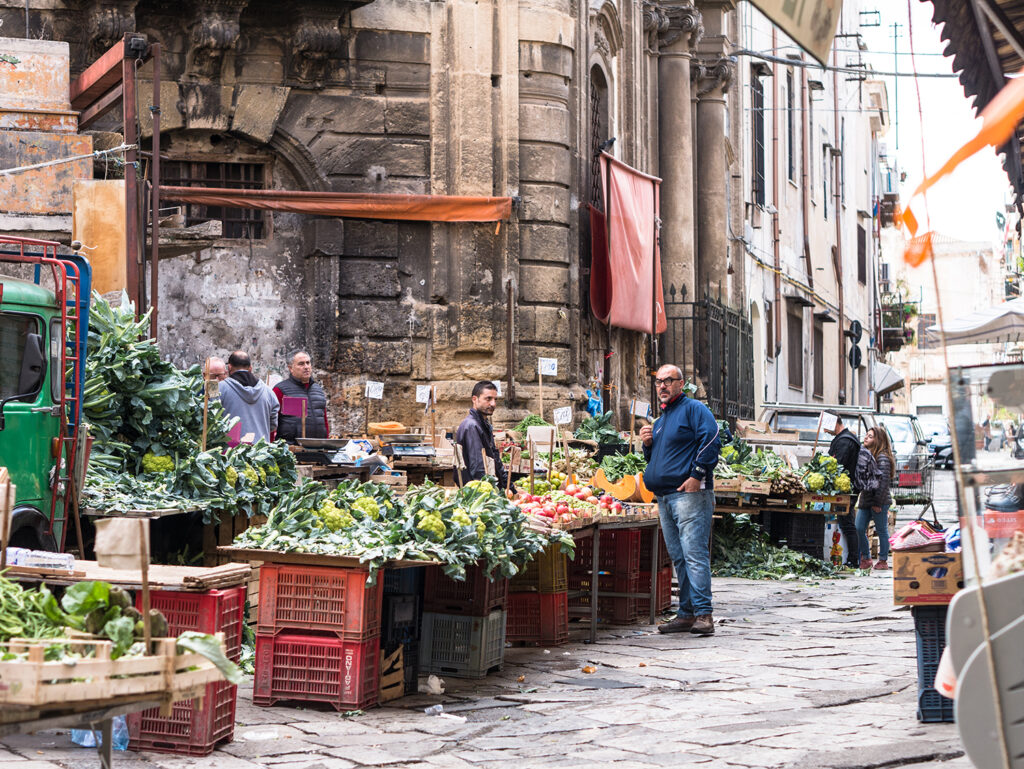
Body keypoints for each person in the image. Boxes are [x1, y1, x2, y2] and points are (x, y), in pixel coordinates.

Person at [641, 364, 721, 636]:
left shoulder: (695, 409)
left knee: (694, 554)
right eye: (658, 381)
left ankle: (703, 614)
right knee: (679, 557)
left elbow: (711, 439)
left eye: (668, 381)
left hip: (689, 495)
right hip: (665, 497)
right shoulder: (661, 421)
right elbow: (657, 461)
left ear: (681, 384)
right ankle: (686, 614)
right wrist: (648, 445)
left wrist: (697, 475)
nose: (662, 386)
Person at [455, 381, 508, 490]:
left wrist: (509, 486)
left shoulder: (483, 424)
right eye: (488, 399)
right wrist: (487, 492)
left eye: (495, 399)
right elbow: (478, 467)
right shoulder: (472, 426)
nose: (493, 404)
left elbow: (495, 459)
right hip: (476, 492)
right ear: (475, 399)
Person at [855, 426, 895, 570]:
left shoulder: (882, 458)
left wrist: (877, 502)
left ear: (878, 440)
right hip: (866, 499)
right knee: (859, 527)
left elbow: (883, 483)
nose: (866, 437)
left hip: (879, 501)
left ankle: (883, 560)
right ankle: (866, 558)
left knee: (881, 529)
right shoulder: (868, 454)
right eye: (866, 435)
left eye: (870, 436)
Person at [825, 411, 861, 568]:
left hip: (847, 489)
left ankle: (853, 560)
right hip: (846, 488)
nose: (826, 431)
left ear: (835, 424)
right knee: (846, 521)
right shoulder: (844, 439)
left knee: (847, 523)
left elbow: (838, 465)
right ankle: (852, 558)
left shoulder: (845, 441)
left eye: (828, 427)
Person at [218, 350, 279, 442]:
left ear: (229, 367)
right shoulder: (268, 392)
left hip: (230, 453)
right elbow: (273, 425)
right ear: (250, 368)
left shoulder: (219, 389)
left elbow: (212, 420)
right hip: (261, 451)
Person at [273, 350, 329, 443]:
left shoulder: (318, 389)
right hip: (292, 449)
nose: (306, 367)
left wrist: (326, 441)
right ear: (291, 368)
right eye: (301, 364)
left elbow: (324, 420)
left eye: (308, 363)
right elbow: (272, 421)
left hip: (318, 448)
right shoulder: (281, 390)